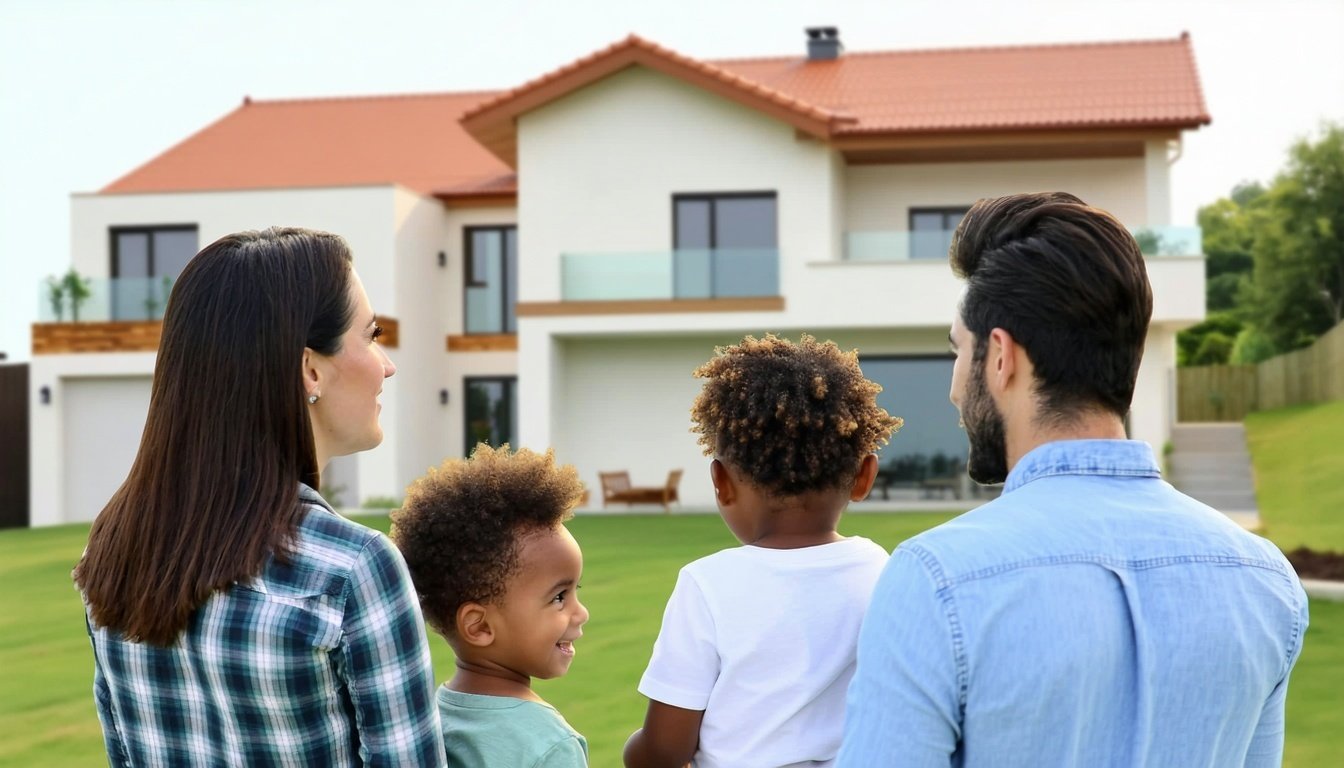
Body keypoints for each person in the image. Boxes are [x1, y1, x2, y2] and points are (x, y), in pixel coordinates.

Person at [839, 192, 1310, 767]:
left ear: (1001, 357)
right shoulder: (1266, 581)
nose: (954, 388)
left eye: (958, 352)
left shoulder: (936, 581)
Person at [73, 227, 445, 766]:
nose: (387, 364)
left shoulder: (113, 551)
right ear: (310, 369)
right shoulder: (355, 568)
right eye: (371, 335)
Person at [624, 334, 903, 768]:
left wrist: (635, 751)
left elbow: (664, 751)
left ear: (721, 482)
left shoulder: (707, 585)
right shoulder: (883, 571)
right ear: (864, 476)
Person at [391, 443, 591, 768]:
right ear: (480, 626)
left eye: (574, 591)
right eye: (559, 597)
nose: (581, 613)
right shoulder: (549, 746)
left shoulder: (432, 718)